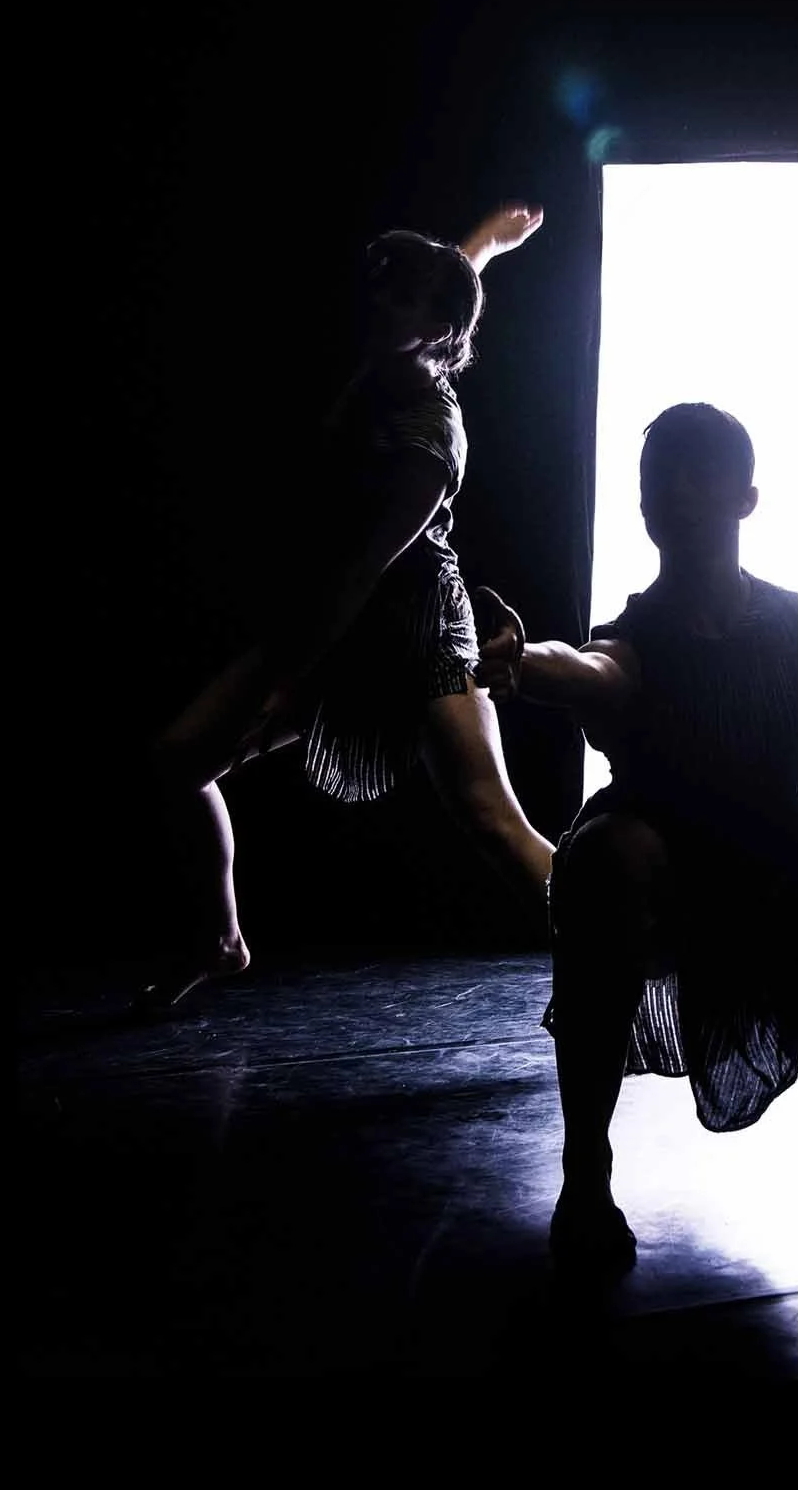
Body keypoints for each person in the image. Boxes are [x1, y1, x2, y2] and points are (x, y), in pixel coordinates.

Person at [473, 402, 798, 1269]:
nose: (674, 491)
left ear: (746, 498)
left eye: (697, 474)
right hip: (671, 911)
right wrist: (521, 660)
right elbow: (586, 669)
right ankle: (586, 1168)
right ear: (643, 505)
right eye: (658, 479)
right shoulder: (633, 639)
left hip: (786, 897)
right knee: (602, 854)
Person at [137, 201, 557, 1011]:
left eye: (399, 297)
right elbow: (451, 280)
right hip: (342, 618)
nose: (378, 300)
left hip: (419, 633)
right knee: (177, 760)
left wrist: (286, 681)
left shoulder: (430, 438)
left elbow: (363, 571)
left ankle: (619, 944)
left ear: (435, 329)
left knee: (491, 819)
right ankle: (221, 940)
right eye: (382, 287)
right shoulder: (402, 351)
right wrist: (489, 239)